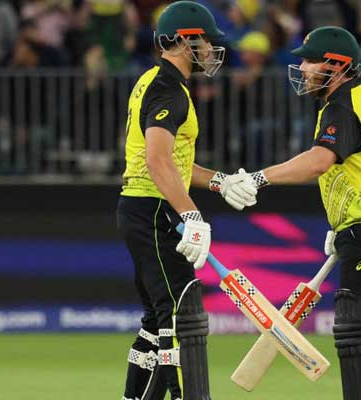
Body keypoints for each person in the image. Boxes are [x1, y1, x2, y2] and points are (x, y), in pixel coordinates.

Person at [226, 25, 361, 400]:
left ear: (336, 66)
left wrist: (258, 179)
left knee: (357, 326)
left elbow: (318, 162)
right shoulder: (357, 97)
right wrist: (342, 222)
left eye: (309, 61)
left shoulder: (342, 105)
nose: (303, 68)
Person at [115, 2, 256, 399]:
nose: (211, 50)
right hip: (153, 209)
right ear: (184, 40)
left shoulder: (153, 81)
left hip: (143, 207)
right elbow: (157, 161)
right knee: (179, 317)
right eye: (206, 41)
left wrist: (221, 183)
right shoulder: (167, 90)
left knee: (157, 318)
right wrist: (190, 214)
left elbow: (175, 163)